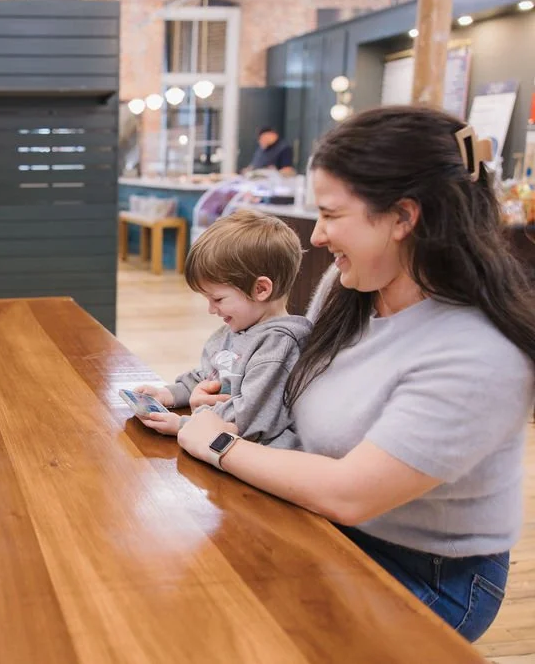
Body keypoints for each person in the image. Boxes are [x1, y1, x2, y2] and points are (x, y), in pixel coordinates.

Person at [176, 106, 535, 642]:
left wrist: (219, 444)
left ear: (402, 217)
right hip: (326, 524)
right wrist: (224, 396)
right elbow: (296, 391)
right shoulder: (349, 292)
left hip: (425, 574)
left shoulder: (478, 354)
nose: (317, 236)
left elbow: (351, 493)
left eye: (330, 214)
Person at [135, 210, 311, 446]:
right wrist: (167, 395)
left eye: (217, 299)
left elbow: (250, 419)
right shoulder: (235, 330)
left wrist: (184, 425)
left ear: (260, 289)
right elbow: (207, 376)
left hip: (253, 457)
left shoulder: (279, 346)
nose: (211, 309)